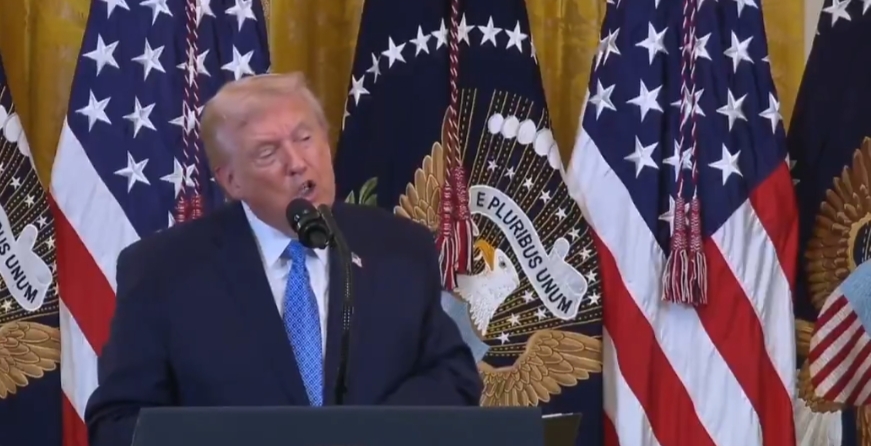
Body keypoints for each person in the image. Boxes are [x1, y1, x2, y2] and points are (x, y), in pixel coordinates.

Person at [84, 72, 483, 446]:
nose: (297, 163)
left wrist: (368, 435)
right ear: (231, 180)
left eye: (305, 138)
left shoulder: (398, 247)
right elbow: (119, 420)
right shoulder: (162, 271)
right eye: (267, 152)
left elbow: (452, 375)